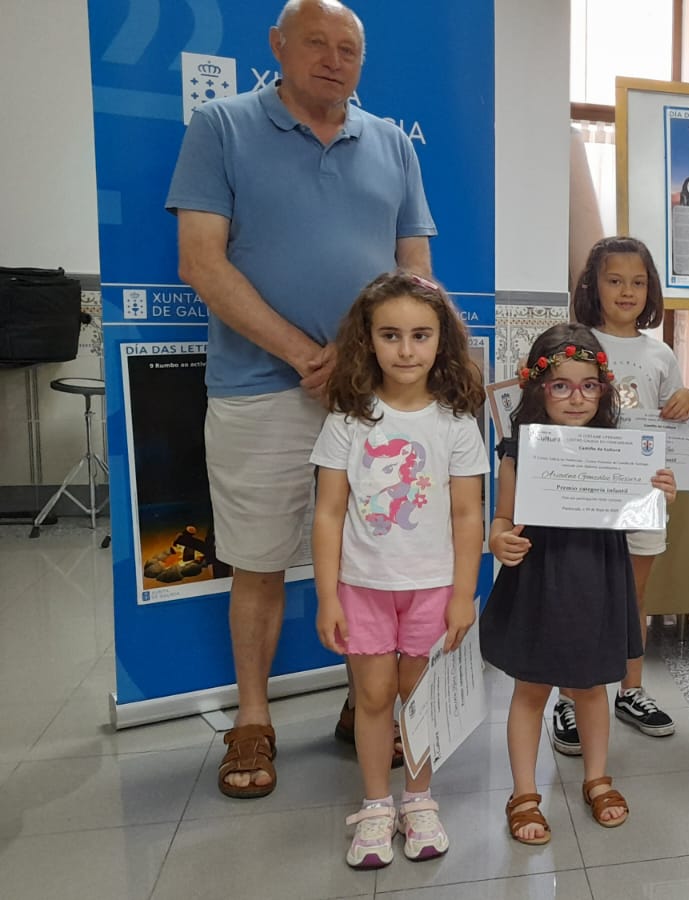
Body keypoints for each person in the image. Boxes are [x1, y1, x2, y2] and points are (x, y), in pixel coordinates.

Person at [166, 0, 435, 799]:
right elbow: (200, 262)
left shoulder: (391, 144)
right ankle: (253, 720)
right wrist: (304, 354)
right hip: (258, 390)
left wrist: (374, 360)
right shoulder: (221, 127)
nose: (332, 58)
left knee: (375, 559)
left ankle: (366, 704)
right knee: (258, 562)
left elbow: (415, 272)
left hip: (374, 400)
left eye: (348, 48)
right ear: (277, 47)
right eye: (315, 42)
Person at [309, 272, 486, 869]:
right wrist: (327, 596)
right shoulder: (348, 421)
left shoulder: (457, 423)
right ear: (368, 341)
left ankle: (418, 800)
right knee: (373, 695)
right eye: (390, 335)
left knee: (420, 697)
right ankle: (376, 805)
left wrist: (463, 596)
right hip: (362, 588)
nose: (406, 350)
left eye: (420, 335)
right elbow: (329, 513)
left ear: (441, 341)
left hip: (434, 589)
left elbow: (468, 515)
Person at [482, 324, 678, 843]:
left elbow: (638, 516)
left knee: (592, 687)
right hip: (539, 580)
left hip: (598, 578)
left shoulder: (620, 449)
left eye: (589, 386)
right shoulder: (519, 451)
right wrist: (498, 540)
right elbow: (501, 519)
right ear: (537, 388)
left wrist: (660, 494)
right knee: (531, 689)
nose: (577, 398)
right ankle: (524, 793)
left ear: (604, 389)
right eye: (561, 386)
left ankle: (597, 777)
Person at [552, 236, 689, 753]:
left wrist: (688, 397)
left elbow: (675, 417)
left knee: (633, 596)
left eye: (638, 282)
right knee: (580, 595)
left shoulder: (660, 354)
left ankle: (631, 690)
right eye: (614, 280)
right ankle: (570, 696)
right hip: (584, 498)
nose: (627, 291)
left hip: (642, 497)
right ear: (593, 285)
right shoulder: (575, 343)